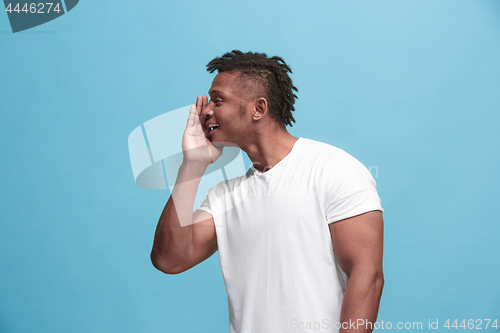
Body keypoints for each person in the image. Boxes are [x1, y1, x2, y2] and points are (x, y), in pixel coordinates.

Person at [150, 50, 384, 333]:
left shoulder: (333, 168)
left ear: (258, 109)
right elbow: (169, 259)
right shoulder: (224, 196)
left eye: (218, 99)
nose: (206, 110)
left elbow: (367, 276)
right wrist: (193, 164)